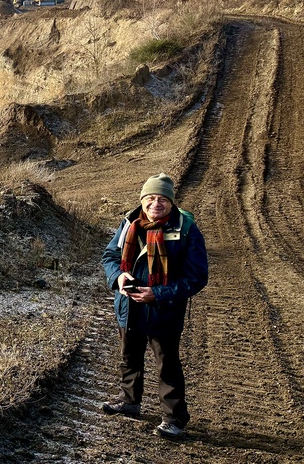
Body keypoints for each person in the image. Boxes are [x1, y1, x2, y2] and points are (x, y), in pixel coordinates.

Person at [100, 173, 208, 439]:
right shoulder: (129, 223)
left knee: (167, 365)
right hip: (129, 305)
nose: (155, 204)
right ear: (142, 200)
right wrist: (118, 277)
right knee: (129, 357)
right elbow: (110, 255)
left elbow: (196, 277)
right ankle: (129, 401)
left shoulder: (186, 228)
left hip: (164, 309)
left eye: (162, 199)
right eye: (150, 198)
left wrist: (158, 294)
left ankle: (174, 419)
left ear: (171, 202)